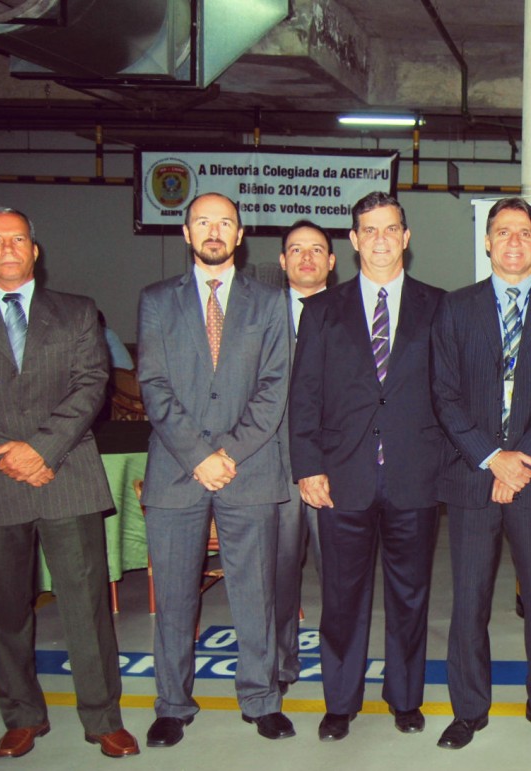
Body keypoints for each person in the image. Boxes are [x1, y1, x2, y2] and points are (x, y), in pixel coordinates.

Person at [0, 207, 139, 759]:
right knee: (7, 611)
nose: (8, 248)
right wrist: (11, 455)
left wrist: (41, 450)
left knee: (86, 606)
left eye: (17, 238)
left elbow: (92, 384)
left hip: (65, 472)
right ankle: (21, 717)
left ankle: (103, 719)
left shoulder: (76, 312)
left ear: (34, 250)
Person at [137, 192, 294, 747]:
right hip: (177, 469)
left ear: (240, 234)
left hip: (249, 467)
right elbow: (153, 384)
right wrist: (198, 456)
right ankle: (172, 705)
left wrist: (227, 453)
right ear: (185, 233)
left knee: (255, 593)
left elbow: (275, 386)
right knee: (175, 597)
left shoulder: (269, 301)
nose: (213, 231)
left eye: (224, 222)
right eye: (202, 221)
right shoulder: (156, 300)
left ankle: (261, 699)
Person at [289, 192, 444, 741]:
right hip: (341, 477)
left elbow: (450, 394)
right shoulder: (321, 310)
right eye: (369, 230)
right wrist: (307, 466)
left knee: (410, 595)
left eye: (390, 228)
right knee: (342, 597)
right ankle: (340, 702)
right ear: (354, 241)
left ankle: (405, 697)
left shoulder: (438, 306)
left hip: (415, 475)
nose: (381, 239)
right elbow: (304, 395)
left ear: (406, 237)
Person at [431, 197, 531, 749]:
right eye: (503, 232)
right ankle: (468, 710)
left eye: (524, 233)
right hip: (473, 476)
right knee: (469, 601)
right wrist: (492, 458)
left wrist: (519, 462)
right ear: (487, 241)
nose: (513, 241)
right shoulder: (455, 308)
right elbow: (444, 395)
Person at [274, 219, 334, 693]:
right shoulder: (258, 315)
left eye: (316, 249)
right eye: (296, 249)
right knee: (277, 574)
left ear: (332, 261)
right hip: (272, 467)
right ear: (282, 261)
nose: (307, 257)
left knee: (338, 575)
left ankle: (339, 668)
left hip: (334, 467)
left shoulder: (352, 311)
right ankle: (279, 664)